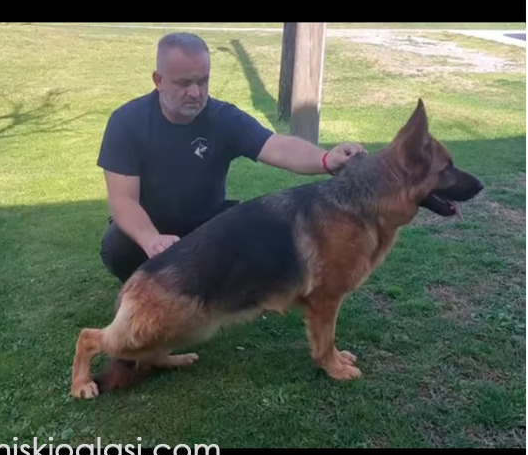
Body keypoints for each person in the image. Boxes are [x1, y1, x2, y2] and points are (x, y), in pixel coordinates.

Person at [97, 32, 367, 284]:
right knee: (117, 247)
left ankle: (218, 286)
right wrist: (151, 239)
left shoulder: (223, 118)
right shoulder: (127, 122)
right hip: (150, 225)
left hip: (207, 223)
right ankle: (147, 287)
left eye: (202, 81)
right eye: (184, 83)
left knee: (258, 235)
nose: (196, 92)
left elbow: (277, 146)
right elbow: (123, 200)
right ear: (158, 80)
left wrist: (325, 159)